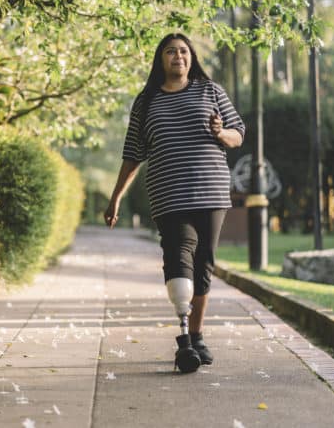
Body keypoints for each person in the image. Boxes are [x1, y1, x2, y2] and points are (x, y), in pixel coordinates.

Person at [105, 33, 245, 373]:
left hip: (210, 192)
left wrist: (220, 132)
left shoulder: (211, 91)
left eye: (183, 51)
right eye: (171, 51)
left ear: (191, 58)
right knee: (179, 255)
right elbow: (132, 155)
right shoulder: (146, 101)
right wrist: (116, 197)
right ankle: (185, 335)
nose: (178, 56)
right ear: (161, 60)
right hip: (169, 196)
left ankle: (195, 336)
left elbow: (238, 133)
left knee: (204, 264)